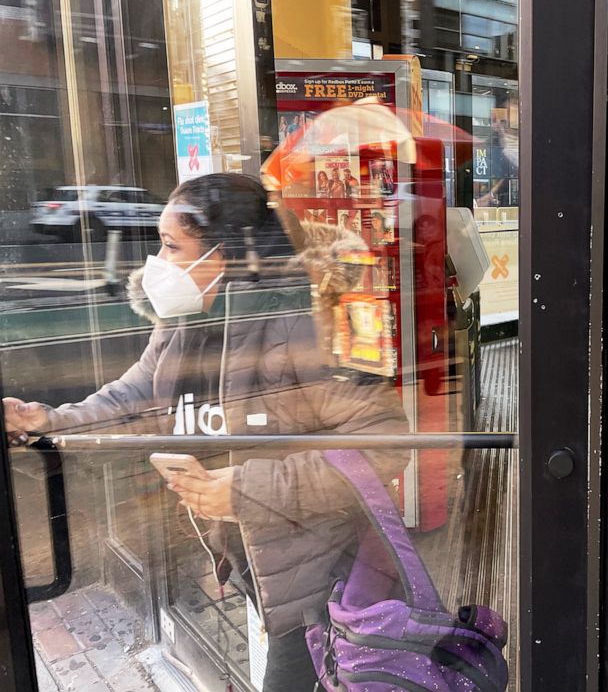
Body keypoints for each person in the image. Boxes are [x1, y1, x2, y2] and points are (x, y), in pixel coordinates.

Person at [3, 173, 410, 691]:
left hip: (328, 576)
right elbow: (135, 397)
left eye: (172, 247)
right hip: (260, 561)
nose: (158, 263)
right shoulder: (182, 320)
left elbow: (385, 443)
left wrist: (244, 490)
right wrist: (47, 419)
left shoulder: (303, 322)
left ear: (225, 254)